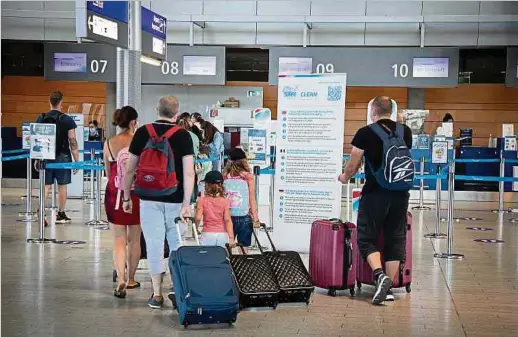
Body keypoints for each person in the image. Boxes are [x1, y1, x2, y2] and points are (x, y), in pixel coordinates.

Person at [338, 96, 412, 305]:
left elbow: (353, 165)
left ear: (373, 111)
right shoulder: (404, 131)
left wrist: (344, 178)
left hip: (375, 193)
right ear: (392, 111)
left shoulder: (365, 132)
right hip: (400, 193)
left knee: (365, 237)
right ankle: (388, 289)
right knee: (395, 238)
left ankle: (380, 276)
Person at [122, 96, 195, 309]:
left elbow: (130, 169)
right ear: (177, 112)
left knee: (154, 243)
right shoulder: (183, 136)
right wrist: (186, 203)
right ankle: (177, 288)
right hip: (175, 198)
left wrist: (127, 197)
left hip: (148, 197)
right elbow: (189, 172)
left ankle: (156, 294)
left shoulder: (143, 132)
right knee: (176, 243)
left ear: (157, 109)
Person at [103, 106, 141, 299]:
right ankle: (132, 277)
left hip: (114, 194)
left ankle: (121, 279)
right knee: (134, 238)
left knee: (118, 239)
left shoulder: (110, 143)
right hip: (136, 194)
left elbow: (107, 171)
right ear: (133, 122)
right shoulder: (140, 142)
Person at [36, 91, 79, 224]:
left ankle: (41, 210)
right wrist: (76, 160)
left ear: (50, 102)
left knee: (46, 185)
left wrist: (37, 158)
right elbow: (72, 140)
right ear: (61, 103)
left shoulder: (41, 118)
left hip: (45, 156)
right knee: (62, 186)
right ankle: (60, 214)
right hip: (63, 156)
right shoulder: (66, 119)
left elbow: (36, 140)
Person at [223, 148, 260, 250]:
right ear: (244, 160)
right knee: (244, 247)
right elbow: (252, 199)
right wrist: (256, 218)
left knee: (227, 245)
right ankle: (243, 263)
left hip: (228, 216)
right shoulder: (248, 176)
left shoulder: (225, 176)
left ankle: (228, 264)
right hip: (244, 216)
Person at [194, 170, 235, 248]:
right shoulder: (225, 201)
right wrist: (231, 238)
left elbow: (198, 218)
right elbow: (227, 220)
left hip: (207, 234)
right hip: (222, 234)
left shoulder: (202, 201)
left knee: (207, 257)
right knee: (221, 257)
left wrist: (195, 228)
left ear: (206, 185)